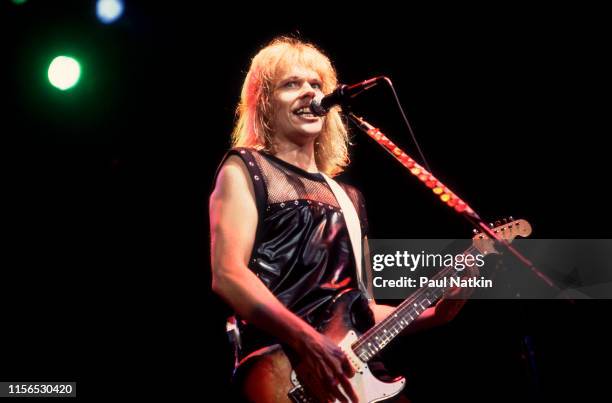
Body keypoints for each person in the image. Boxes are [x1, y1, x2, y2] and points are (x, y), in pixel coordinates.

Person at [209, 36, 470, 403]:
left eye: (316, 85)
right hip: (284, 370)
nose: (308, 92)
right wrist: (308, 340)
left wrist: (435, 314)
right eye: (291, 84)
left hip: (353, 377)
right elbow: (228, 275)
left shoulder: (350, 198)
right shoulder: (247, 169)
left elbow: (362, 308)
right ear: (265, 104)